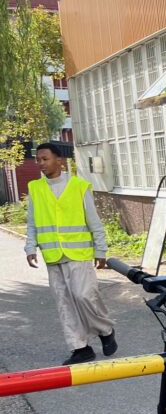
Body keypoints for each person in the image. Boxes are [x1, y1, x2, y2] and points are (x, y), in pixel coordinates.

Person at [25, 143, 117, 365]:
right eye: (38, 159)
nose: (41, 163)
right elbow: (32, 223)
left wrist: (100, 249)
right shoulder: (35, 188)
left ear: (60, 161)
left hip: (78, 253)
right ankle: (80, 347)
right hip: (52, 255)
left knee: (84, 295)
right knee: (64, 302)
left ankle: (105, 330)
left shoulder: (79, 186)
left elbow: (93, 221)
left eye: (45, 159)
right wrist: (30, 247)